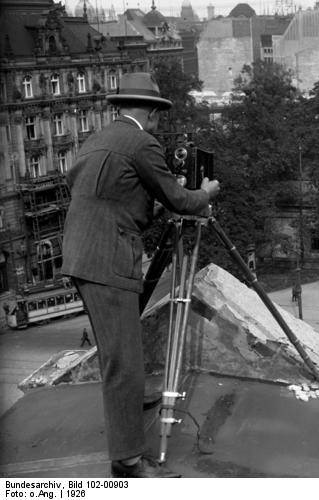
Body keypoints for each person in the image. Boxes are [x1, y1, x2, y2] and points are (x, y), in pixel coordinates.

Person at [61, 73, 220, 478]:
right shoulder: (142, 142)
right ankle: (129, 462)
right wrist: (208, 191)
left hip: (84, 253)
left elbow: (97, 192)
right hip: (108, 258)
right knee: (124, 364)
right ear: (150, 113)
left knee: (121, 349)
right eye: (158, 116)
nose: (159, 125)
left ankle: (130, 410)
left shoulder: (99, 138)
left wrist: (141, 209)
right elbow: (181, 200)